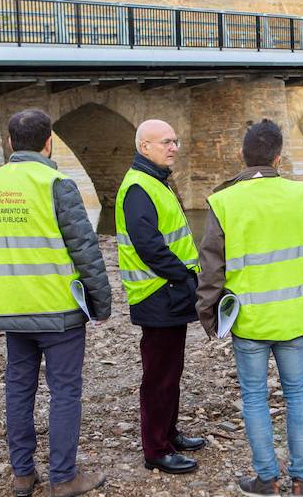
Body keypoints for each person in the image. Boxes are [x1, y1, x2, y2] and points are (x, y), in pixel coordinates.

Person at [0, 109, 111, 497]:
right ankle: (64, 477)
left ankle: (22, 474)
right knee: (64, 391)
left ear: (10, 143)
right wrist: (101, 303)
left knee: (19, 389)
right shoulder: (56, 183)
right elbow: (84, 248)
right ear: (49, 141)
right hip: (56, 309)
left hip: (9, 307)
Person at [196, 120, 303, 496]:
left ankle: (267, 478)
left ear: (242, 155)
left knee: (255, 397)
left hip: (250, 320)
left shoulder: (225, 200)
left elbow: (212, 267)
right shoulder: (302, 195)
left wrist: (210, 318)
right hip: (295, 317)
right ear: (278, 156)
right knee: (298, 394)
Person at [116, 119, 206, 475]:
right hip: (157, 293)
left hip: (168, 292)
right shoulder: (139, 187)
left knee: (172, 370)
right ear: (144, 147)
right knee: (159, 376)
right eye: (165, 142)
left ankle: (168, 433)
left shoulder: (154, 181)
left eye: (175, 140)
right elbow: (148, 245)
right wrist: (184, 275)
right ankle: (156, 448)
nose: (173, 147)